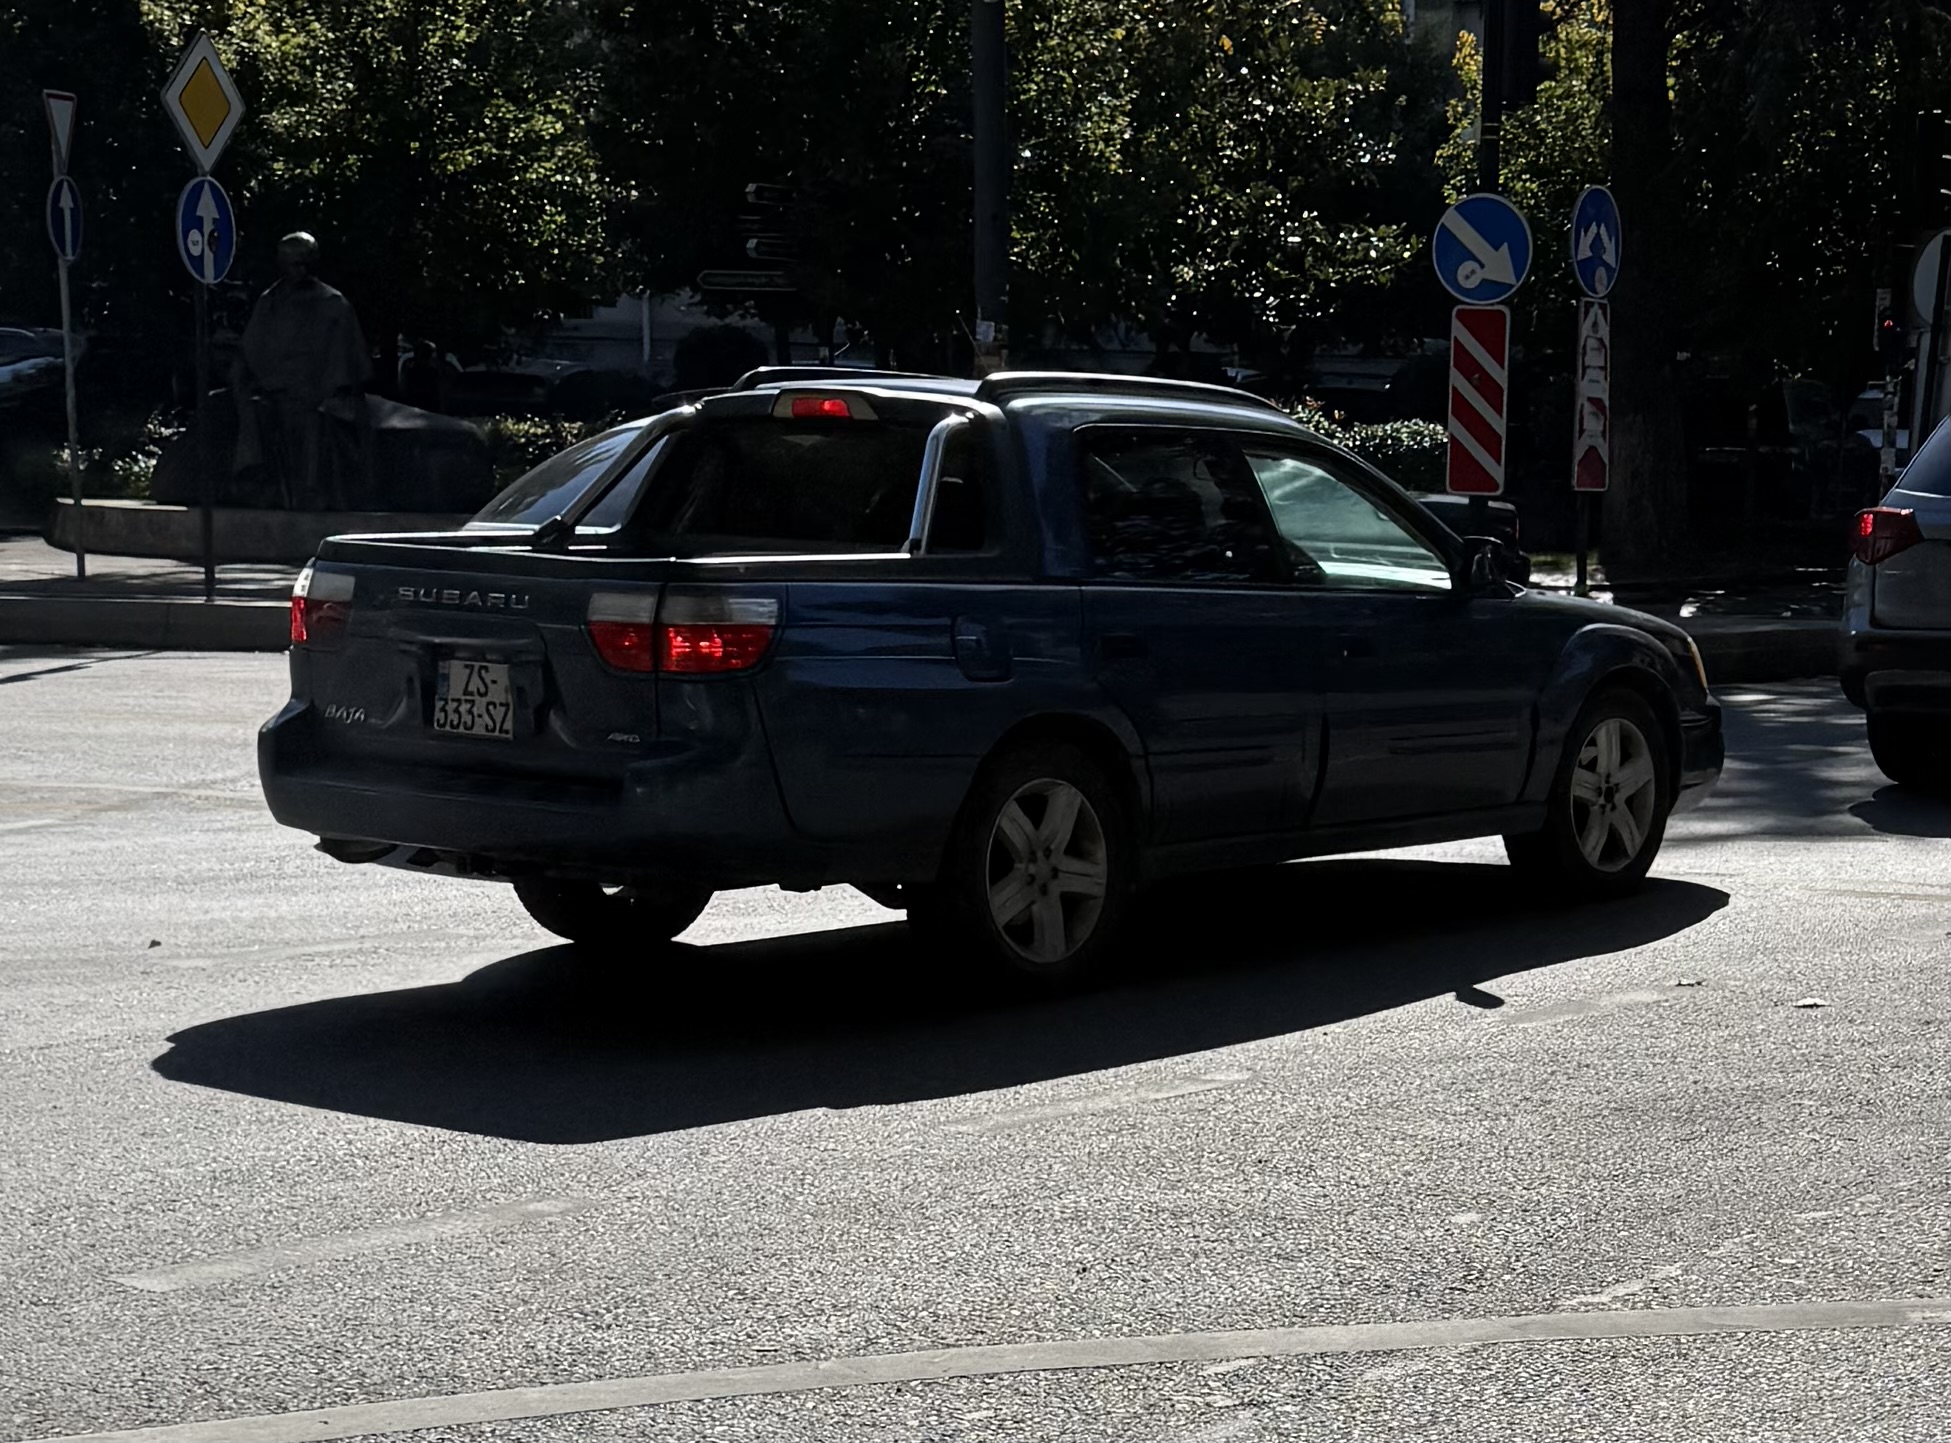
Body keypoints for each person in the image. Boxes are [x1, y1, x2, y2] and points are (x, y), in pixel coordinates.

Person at [231, 232, 372, 508]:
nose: (300, 270)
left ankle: (310, 489)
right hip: (274, 392)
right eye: (293, 264)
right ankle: (251, 471)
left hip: (317, 396)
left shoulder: (333, 304)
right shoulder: (270, 302)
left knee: (312, 421)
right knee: (250, 408)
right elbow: (251, 352)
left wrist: (326, 391)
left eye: (305, 263)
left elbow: (349, 366)